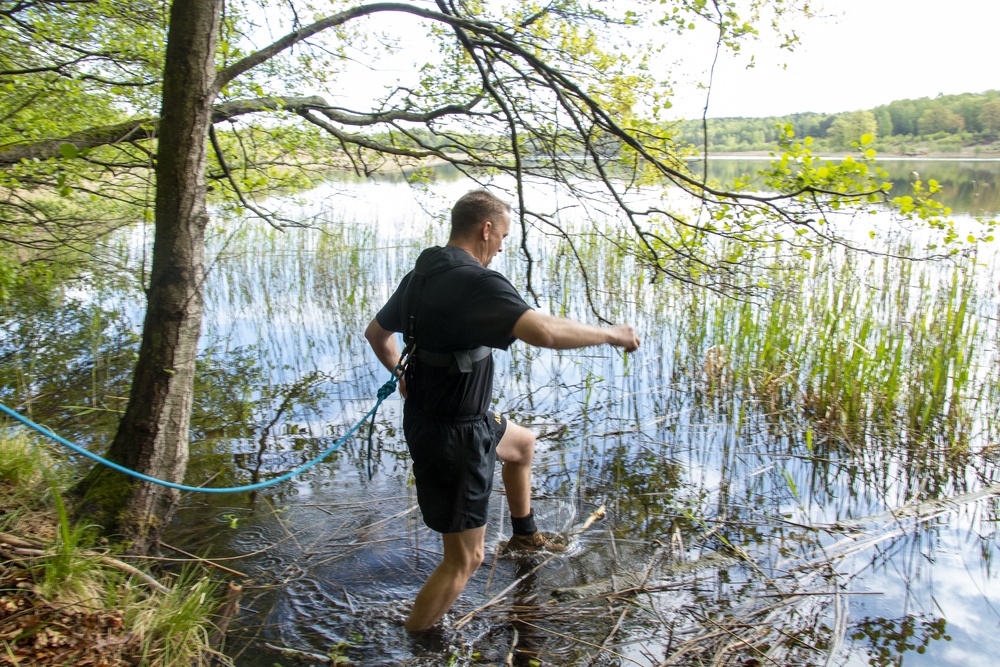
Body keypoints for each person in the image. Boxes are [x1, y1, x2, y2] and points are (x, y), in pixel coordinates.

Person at [365, 189, 640, 632]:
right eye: (503, 237)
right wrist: (610, 334)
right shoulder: (475, 281)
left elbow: (377, 333)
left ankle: (524, 535)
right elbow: (544, 332)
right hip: (455, 437)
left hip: (447, 420)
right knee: (465, 560)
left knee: (523, 444)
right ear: (486, 228)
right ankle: (413, 645)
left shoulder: (425, 272)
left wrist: (401, 374)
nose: (500, 247)